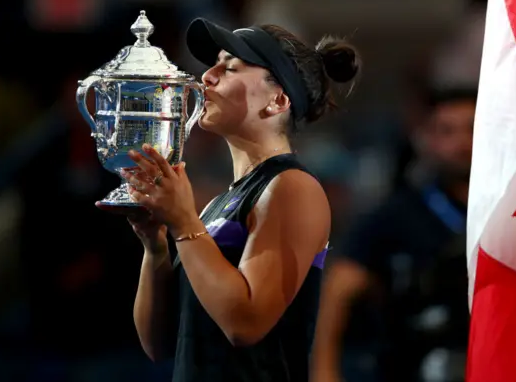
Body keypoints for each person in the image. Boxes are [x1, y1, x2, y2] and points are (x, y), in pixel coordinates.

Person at [105, 19, 361, 382]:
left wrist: (184, 223)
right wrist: (156, 247)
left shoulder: (292, 187)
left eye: (230, 67)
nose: (206, 76)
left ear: (278, 100)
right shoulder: (216, 207)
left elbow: (245, 323)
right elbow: (159, 344)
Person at [310, 88, 476, 382]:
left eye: (472, 130)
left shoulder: (510, 214)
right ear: (427, 141)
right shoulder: (394, 217)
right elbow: (338, 292)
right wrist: (325, 372)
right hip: (408, 366)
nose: (462, 143)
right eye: (447, 132)